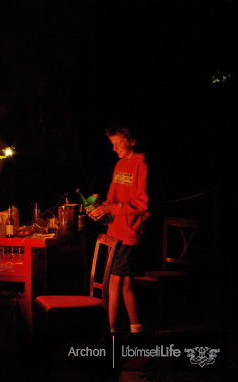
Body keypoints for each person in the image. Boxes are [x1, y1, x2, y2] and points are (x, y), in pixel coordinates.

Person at [88, 123, 149, 337]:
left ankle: (111, 332)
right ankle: (136, 327)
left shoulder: (142, 164)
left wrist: (112, 207)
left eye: (118, 144)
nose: (114, 148)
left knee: (113, 283)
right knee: (125, 283)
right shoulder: (119, 164)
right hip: (115, 231)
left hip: (130, 232)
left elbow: (143, 202)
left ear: (132, 141)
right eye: (112, 144)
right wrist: (99, 208)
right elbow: (112, 197)